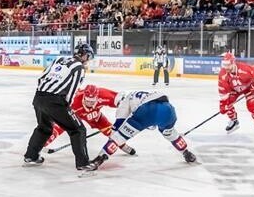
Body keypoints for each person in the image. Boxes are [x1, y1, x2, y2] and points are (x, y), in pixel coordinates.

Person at [24, 43, 97, 172]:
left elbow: (42, 77)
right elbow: (72, 90)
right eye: (88, 57)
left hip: (38, 97)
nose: (88, 60)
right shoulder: (79, 67)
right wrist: (66, 108)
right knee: (78, 129)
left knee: (44, 128)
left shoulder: (59, 59)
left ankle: (31, 156)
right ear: (85, 55)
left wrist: (42, 94)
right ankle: (83, 163)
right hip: (55, 101)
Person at [86, 90, 196, 176]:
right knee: (170, 134)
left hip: (147, 112)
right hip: (169, 110)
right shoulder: (144, 94)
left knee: (118, 138)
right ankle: (187, 153)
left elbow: (117, 125)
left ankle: (99, 159)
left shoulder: (126, 100)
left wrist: (114, 132)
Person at [45, 84, 136, 155]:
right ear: (84, 97)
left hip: (95, 116)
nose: (89, 103)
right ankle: (43, 143)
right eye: (87, 101)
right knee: (61, 126)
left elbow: (122, 101)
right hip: (76, 115)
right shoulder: (74, 102)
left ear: (97, 97)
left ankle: (122, 145)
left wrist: (129, 109)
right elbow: (60, 122)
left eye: (92, 102)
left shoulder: (103, 94)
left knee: (111, 132)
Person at [218, 52, 254, 135]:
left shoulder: (245, 70)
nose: (226, 67)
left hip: (249, 89)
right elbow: (223, 90)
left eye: (227, 65)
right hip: (234, 89)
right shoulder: (223, 74)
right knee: (228, 102)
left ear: (233, 62)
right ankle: (233, 120)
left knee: (252, 106)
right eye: (224, 64)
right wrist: (223, 104)